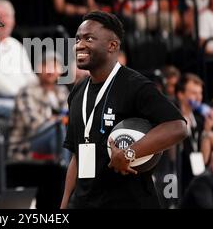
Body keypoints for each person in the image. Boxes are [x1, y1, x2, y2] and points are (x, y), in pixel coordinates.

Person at [60, 11, 187, 209]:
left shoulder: (135, 85)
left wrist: (129, 153)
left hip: (129, 202)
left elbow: (178, 127)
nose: (79, 45)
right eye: (77, 39)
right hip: (85, 203)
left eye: (89, 38)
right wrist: (65, 202)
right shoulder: (78, 90)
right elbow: (77, 155)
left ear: (112, 45)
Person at [8, 52, 69, 162]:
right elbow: (33, 123)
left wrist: (61, 120)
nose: (51, 71)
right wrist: (58, 120)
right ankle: (65, 172)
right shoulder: (27, 91)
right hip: (27, 143)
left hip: (54, 138)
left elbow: (69, 117)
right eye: (47, 66)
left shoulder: (62, 91)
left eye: (54, 66)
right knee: (58, 127)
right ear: (39, 68)